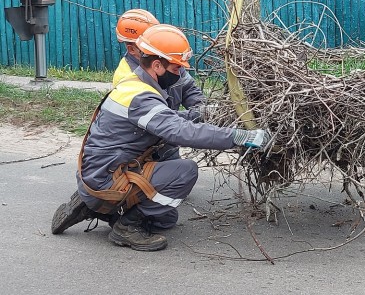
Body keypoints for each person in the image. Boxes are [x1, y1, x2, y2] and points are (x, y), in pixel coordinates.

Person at [51, 24, 271, 252]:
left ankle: (92, 206)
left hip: (100, 171)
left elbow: (172, 118)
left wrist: (205, 113)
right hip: (106, 178)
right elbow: (181, 131)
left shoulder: (135, 85)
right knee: (185, 172)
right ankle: (125, 226)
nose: (179, 74)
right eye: (176, 69)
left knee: (166, 220)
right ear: (157, 65)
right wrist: (239, 136)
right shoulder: (140, 97)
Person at [114, 9, 205, 123]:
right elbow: (160, 120)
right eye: (147, 42)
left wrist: (203, 109)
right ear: (132, 49)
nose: (154, 43)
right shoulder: (126, 79)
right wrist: (196, 115)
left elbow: (188, 89)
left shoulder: (166, 59)